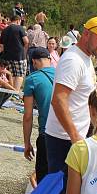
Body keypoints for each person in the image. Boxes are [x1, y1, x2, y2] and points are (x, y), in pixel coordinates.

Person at [38, 17, 97, 194]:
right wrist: (75, 137)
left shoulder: (86, 59)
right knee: (74, 191)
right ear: (86, 34)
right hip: (63, 136)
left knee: (68, 190)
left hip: (74, 134)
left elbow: (81, 100)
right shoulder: (73, 60)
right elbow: (58, 100)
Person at [23, 47, 55, 184]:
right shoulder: (63, 74)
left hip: (46, 133)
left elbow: (28, 116)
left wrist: (27, 143)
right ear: (49, 59)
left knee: (44, 184)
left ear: (34, 62)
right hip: (68, 134)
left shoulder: (32, 79)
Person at [0, 14, 29, 91]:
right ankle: (16, 93)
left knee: (11, 74)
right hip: (19, 55)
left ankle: (11, 92)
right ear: (18, 20)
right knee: (19, 75)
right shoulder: (20, 28)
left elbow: (1, 46)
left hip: (7, 56)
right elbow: (26, 41)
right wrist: (24, 50)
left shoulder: (4, 30)